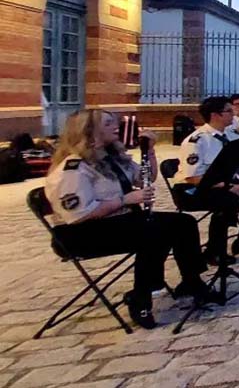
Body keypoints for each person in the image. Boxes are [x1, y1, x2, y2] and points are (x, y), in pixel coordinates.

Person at [45, 110, 214, 328]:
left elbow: (145, 178)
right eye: (108, 124)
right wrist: (125, 200)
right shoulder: (74, 168)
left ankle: (192, 282)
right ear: (90, 131)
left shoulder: (110, 156)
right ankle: (140, 298)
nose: (116, 127)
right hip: (80, 233)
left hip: (119, 221)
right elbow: (80, 214)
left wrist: (149, 151)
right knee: (151, 234)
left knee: (183, 223)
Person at [177, 96, 239, 263]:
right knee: (227, 200)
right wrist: (229, 187)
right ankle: (214, 250)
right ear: (215, 115)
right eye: (229, 111)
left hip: (224, 183)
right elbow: (193, 177)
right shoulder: (196, 141)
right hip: (195, 189)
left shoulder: (232, 137)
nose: (234, 114)